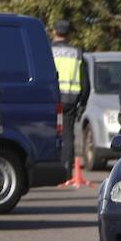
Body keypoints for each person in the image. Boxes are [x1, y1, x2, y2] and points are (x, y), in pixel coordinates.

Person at [50, 19, 89, 177]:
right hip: (71, 101)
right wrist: (83, 103)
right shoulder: (77, 53)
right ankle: (66, 171)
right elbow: (86, 82)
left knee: (50, 133)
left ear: (54, 32)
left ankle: (50, 169)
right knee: (67, 135)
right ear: (69, 35)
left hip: (52, 99)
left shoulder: (48, 50)